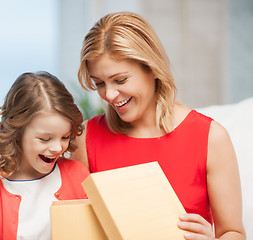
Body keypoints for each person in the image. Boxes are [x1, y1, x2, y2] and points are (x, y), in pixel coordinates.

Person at [73, 11, 246, 239]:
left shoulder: (211, 137)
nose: (110, 94)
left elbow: (233, 232)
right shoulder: (85, 139)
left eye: (120, 80)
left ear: (152, 68)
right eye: (99, 83)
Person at [0, 71, 90, 240]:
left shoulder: (78, 176)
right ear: (18, 133)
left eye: (65, 137)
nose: (58, 147)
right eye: (45, 139)